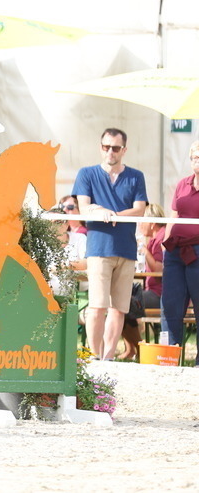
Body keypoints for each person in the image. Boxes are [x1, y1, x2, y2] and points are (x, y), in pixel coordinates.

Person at [72, 128, 148, 360]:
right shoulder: (87, 173)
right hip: (99, 248)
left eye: (115, 148)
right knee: (96, 306)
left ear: (124, 150)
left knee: (119, 308)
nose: (110, 152)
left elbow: (140, 209)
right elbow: (83, 208)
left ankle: (108, 358)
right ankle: (94, 356)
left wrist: (111, 213)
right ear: (100, 147)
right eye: (106, 147)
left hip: (126, 248)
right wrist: (98, 209)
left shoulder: (136, 176)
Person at [161, 142, 199, 348]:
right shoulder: (183, 183)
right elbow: (174, 214)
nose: (196, 160)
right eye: (194, 156)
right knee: (170, 304)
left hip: (197, 251)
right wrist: (166, 242)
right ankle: (169, 353)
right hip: (176, 251)